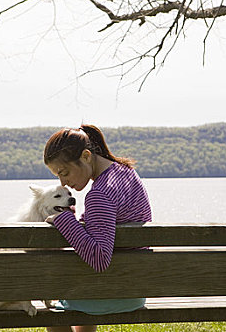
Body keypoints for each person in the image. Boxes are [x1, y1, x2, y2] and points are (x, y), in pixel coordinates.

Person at [43, 124, 152, 332]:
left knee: (54, 316)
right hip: (136, 289)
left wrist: (64, 220)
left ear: (86, 156)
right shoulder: (126, 173)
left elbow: (99, 259)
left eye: (64, 172)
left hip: (111, 292)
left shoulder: (99, 194)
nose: (63, 182)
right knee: (83, 293)